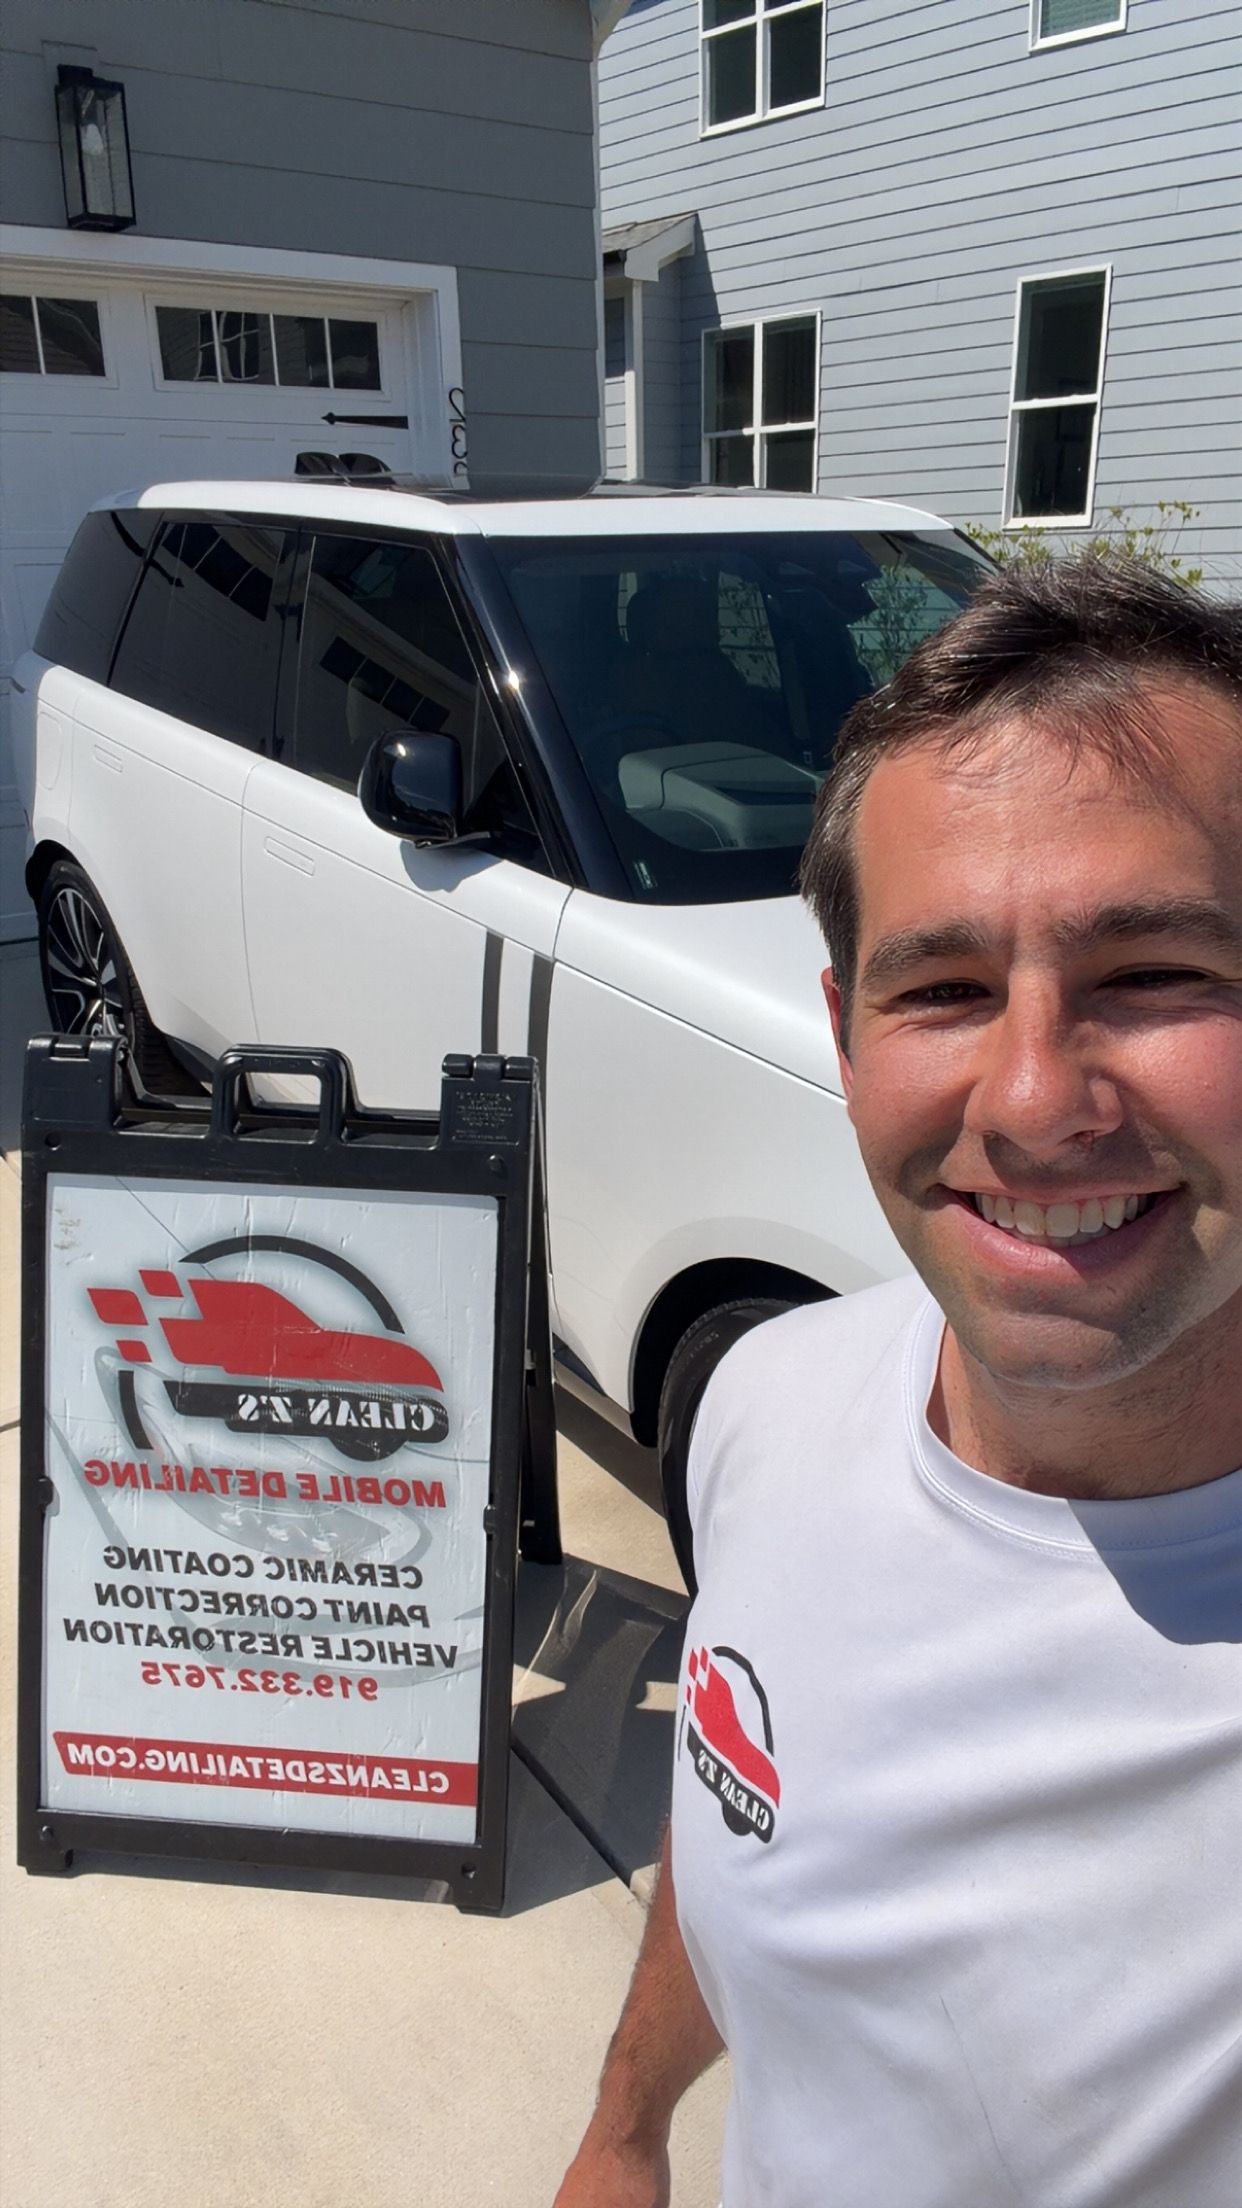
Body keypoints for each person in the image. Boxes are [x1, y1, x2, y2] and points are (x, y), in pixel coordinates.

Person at [556, 556, 1242, 2208]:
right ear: (846, 1039)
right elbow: (745, 1814)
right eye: (939, 991)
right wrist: (627, 2131)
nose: (1027, 1100)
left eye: (1150, 973)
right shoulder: (765, 1401)